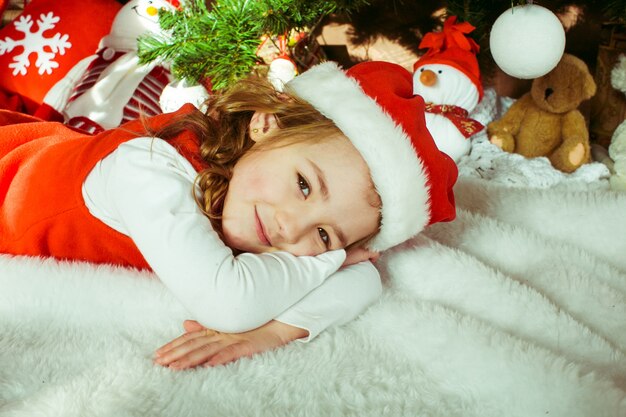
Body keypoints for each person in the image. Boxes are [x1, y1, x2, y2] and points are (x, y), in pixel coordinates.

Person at [0, 61, 458, 369]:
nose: (289, 227)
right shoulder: (148, 167)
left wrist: (272, 334)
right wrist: (331, 258)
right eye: (303, 184)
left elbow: (368, 281)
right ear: (265, 123)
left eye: (324, 233)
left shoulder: (254, 197)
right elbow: (229, 303)